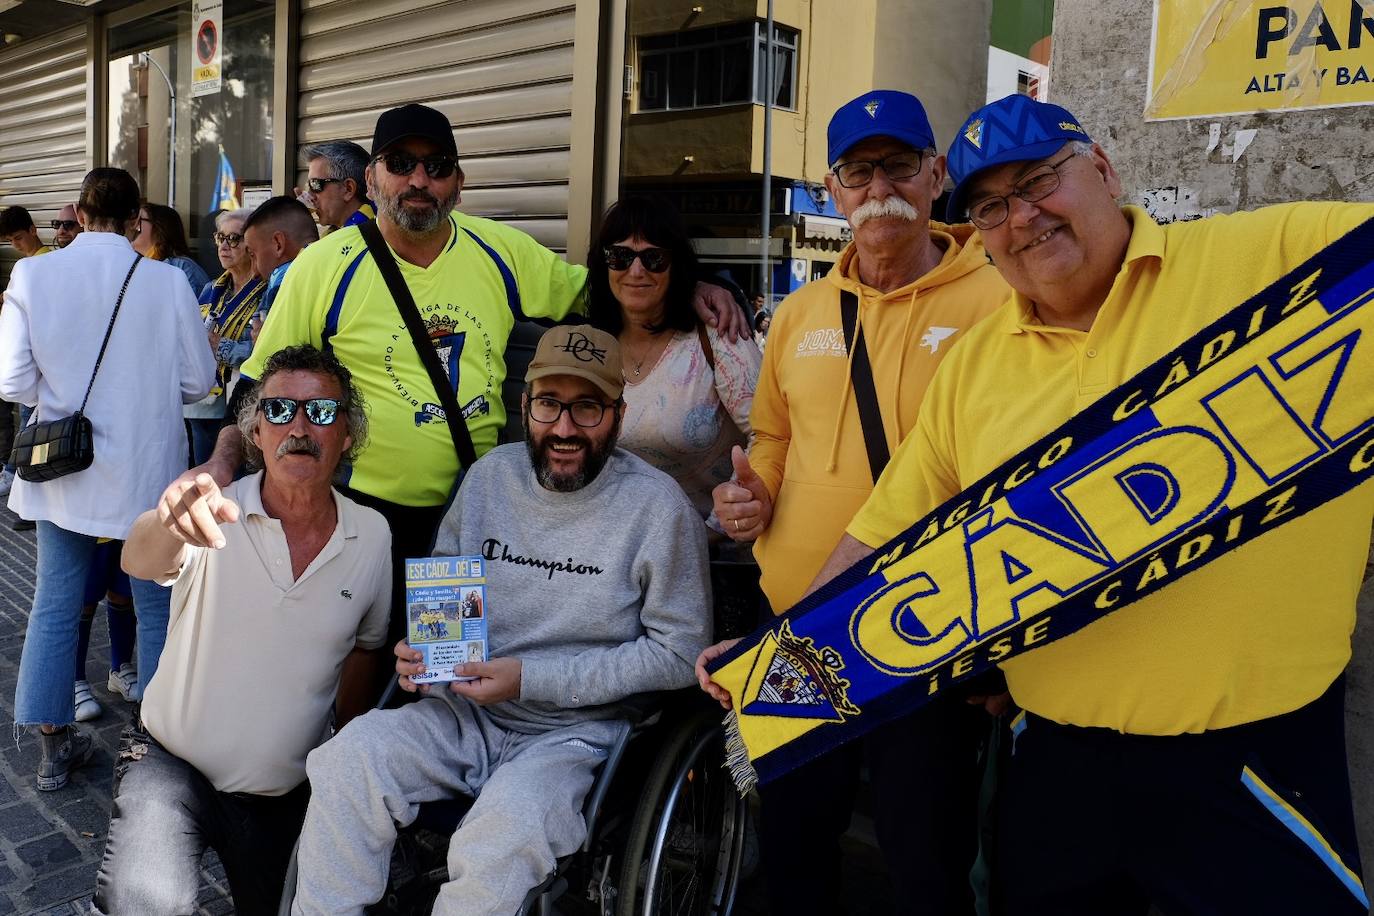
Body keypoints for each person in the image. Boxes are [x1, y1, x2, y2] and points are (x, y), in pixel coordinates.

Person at [823, 93, 1374, 915]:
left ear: (1105, 171)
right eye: (990, 207)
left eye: (1039, 181)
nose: (1021, 218)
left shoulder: (1271, 256)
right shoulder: (976, 364)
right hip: (1055, 760)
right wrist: (774, 656)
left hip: (1252, 759)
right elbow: (883, 532)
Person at [166, 103, 744, 646]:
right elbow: (257, 385)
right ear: (371, 179)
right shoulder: (323, 267)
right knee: (356, 655)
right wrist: (220, 464)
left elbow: (611, 287)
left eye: (437, 166)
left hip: (473, 514)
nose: (419, 180)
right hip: (363, 513)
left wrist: (697, 283)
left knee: (445, 658)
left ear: (458, 183)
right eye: (400, 164)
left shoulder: (500, 251)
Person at [698, 90, 1011, 915]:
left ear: (936, 175)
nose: (880, 188)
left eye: (899, 165)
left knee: (924, 856)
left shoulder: (998, 301)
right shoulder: (799, 312)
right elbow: (773, 434)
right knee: (795, 844)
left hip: (930, 626)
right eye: (858, 171)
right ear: (832, 189)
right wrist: (757, 491)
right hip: (800, 621)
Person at [288, 324, 711, 916]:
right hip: (462, 715)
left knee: (499, 838)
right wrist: (425, 657)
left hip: (573, 737)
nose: (564, 428)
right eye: (549, 404)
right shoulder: (489, 478)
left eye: (587, 408)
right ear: (525, 405)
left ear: (619, 415)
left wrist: (529, 679)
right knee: (346, 758)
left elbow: (680, 654)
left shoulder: (658, 508)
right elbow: (444, 598)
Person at [92, 344, 389, 915]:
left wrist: (341, 758)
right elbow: (138, 560)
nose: (299, 428)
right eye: (279, 410)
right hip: (170, 763)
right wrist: (168, 518)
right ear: (256, 431)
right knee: (143, 902)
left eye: (321, 412)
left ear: (347, 435)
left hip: (281, 791)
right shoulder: (215, 508)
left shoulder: (372, 535)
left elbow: (366, 649)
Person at [0, 167, 214, 791]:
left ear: (80, 211)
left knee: (54, 601)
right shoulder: (167, 281)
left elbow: (12, 382)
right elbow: (198, 382)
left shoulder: (33, 274)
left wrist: (60, 397)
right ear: (135, 217)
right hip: (147, 468)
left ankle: (53, 744)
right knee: (156, 603)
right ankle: (158, 742)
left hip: (64, 467)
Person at [587, 195, 761, 528]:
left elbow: (770, 435)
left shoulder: (717, 335)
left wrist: (716, 528)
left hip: (712, 547)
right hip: (619, 544)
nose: (635, 271)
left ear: (676, 265)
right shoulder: (593, 344)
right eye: (620, 256)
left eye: (654, 258)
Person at [186, 208, 264, 466]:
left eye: (234, 238)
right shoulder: (211, 288)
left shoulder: (267, 290)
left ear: (252, 244)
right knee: (203, 474)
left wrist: (221, 347)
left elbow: (266, 348)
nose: (224, 246)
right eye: (220, 237)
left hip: (242, 403)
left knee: (236, 476)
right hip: (203, 404)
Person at [0, 206, 54, 500]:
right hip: (30, 361)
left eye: (18, 237)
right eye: (10, 241)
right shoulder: (30, 264)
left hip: (36, 364)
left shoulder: (43, 263)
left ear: (34, 230)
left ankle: (21, 480)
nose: (15, 245)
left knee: (30, 428)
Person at [242, 194, 319, 324]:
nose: (254, 273)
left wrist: (263, 335)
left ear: (278, 244)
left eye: (253, 255)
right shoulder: (335, 266)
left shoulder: (282, 283)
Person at [134, 202, 211, 296]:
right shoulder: (141, 266)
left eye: (138, 220)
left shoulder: (182, 268)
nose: (132, 226)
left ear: (159, 227)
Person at [298, 140, 376, 230]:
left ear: (348, 189)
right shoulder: (374, 224)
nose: (310, 196)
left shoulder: (356, 234)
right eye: (309, 185)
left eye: (315, 184)